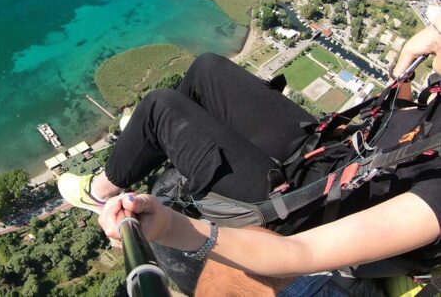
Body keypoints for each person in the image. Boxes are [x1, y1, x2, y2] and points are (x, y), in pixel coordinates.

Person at [59, 17, 441, 296]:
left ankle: (102, 188)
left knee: (162, 109)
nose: (434, 28)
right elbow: (398, 120)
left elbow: (300, 252)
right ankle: (153, 139)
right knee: (207, 69)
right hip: (327, 160)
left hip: (302, 209)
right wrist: (407, 60)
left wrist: (171, 227)